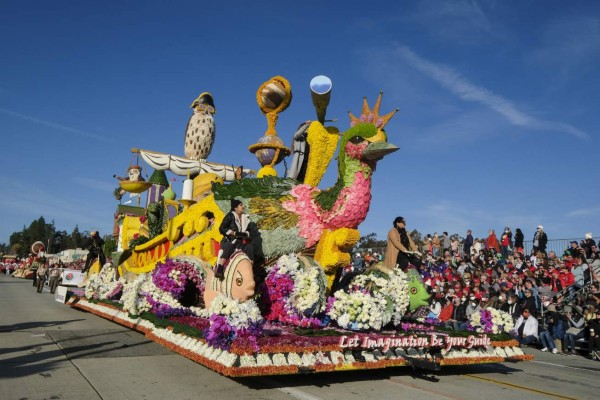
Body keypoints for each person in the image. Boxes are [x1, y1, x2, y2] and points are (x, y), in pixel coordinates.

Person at [215, 199, 255, 279]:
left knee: (250, 247)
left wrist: (245, 234)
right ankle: (220, 268)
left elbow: (248, 231)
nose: (243, 206)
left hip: (240, 241)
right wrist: (232, 233)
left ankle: (250, 270)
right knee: (230, 245)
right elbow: (221, 228)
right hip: (229, 240)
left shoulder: (245, 218)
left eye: (242, 205)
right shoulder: (230, 216)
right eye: (241, 205)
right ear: (235, 208)